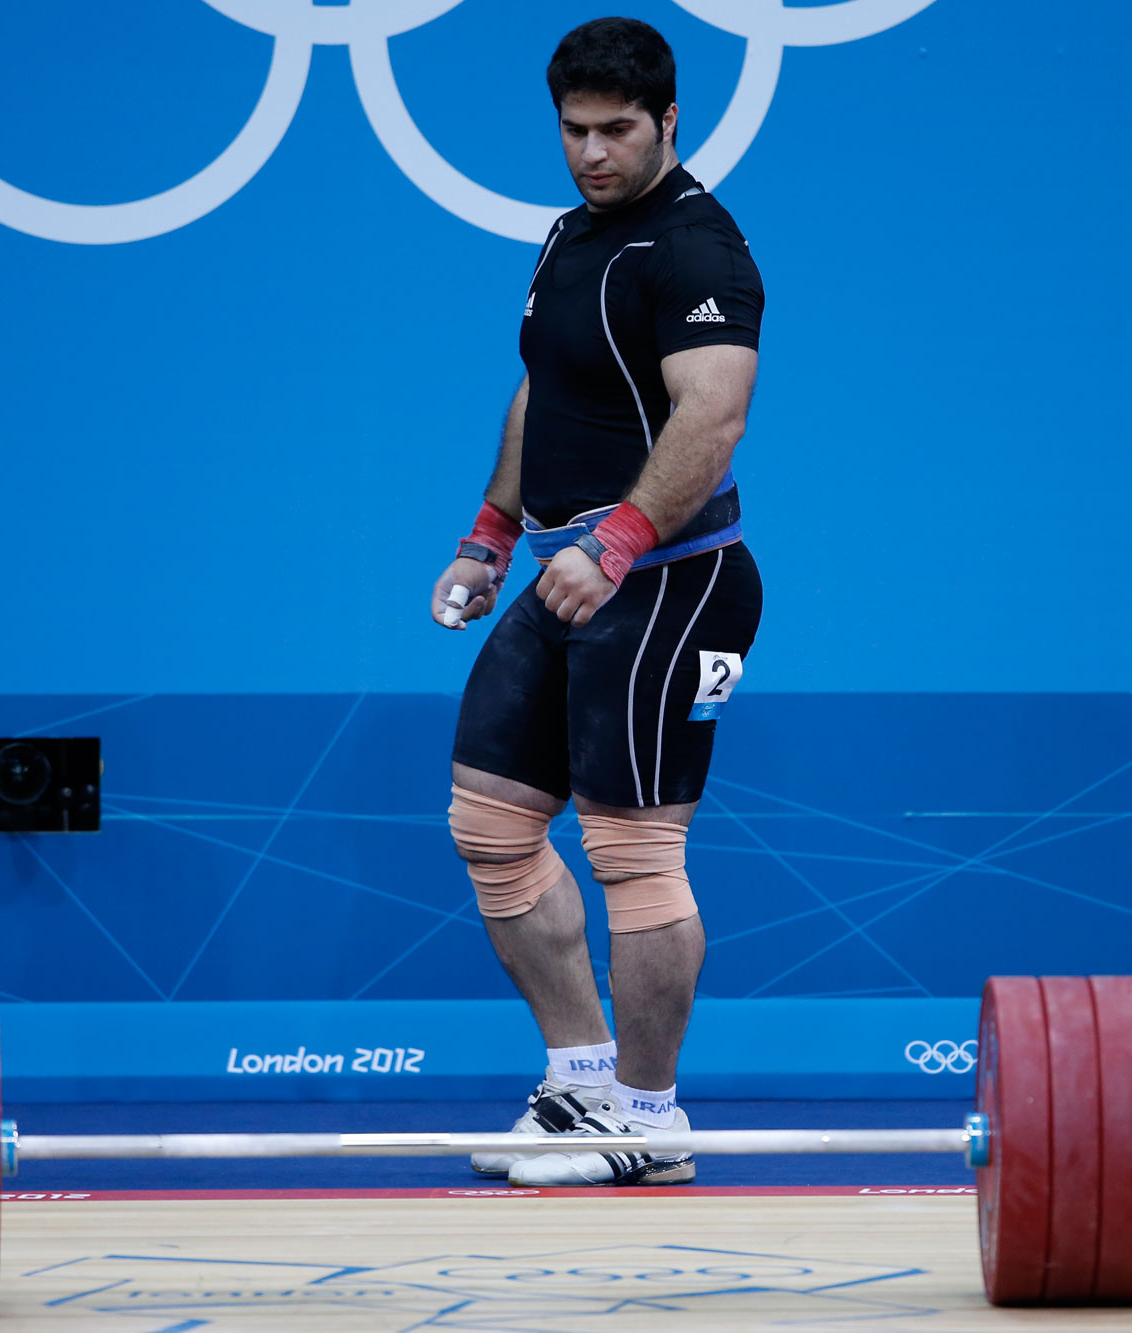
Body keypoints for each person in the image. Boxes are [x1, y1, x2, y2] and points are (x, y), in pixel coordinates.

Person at [429, 17, 765, 1187]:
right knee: (490, 825)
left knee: (633, 851)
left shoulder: (698, 251)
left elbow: (709, 419)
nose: (590, 153)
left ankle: (648, 1118)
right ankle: (579, 1090)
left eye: (616, 130)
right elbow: (544, 390)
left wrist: (615, 540)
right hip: (564, 572)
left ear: (668, 122)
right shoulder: (570, 235)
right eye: (572, 130)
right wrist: (488, 536)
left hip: (671, 583)